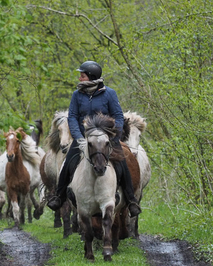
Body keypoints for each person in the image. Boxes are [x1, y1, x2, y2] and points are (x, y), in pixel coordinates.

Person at [47, 61, 142, 217]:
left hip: (107, 139)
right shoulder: (77, 95)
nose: (79, 78)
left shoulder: (109, 94)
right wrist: (78, 138)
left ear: (91, 77)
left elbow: (118, 116)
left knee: (123, 162)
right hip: (84, 139)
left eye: (82, 75)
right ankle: (59, 196)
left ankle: (131, 201)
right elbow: (73, 117)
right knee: (68, 162)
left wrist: (113, 136)